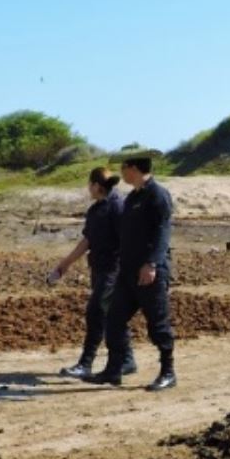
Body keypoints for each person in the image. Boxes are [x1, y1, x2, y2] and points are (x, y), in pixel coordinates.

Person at [92, 153, 176, 391]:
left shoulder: (157, 195)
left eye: (123, 167)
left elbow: (163, 232)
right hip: (127, 272)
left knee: (157, 324)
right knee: (114, 317)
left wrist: (152, 264)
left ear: (134, 168)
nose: (121, 173)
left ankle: (168, 372)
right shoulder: (132, 198)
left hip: (149, 272)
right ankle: (114, 369)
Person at [46, 166, 134, 380]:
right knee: (111, 316)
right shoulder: (95, 210)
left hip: (113, 270)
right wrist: (65, 264)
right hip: (99, 268)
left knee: (95, 313)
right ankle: (128, 360)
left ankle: (86, 363)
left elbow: (128, 239)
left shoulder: (117, 207)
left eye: (89, 185)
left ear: (96, 185)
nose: (88, 189)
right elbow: (87, 241)